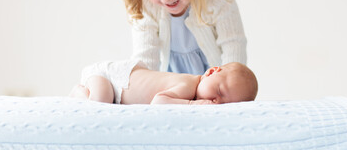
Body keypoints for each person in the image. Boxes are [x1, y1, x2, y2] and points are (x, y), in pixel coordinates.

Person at [69, 60, 258, 105]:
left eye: (224, 102)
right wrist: (193, 104)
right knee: (101, 100)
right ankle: (79, 92)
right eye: (219, 90)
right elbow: (159, 101)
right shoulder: (188, 84)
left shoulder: (194, 88)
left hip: (118, 88)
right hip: (110, 78)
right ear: (210, 72)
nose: (216, 100)